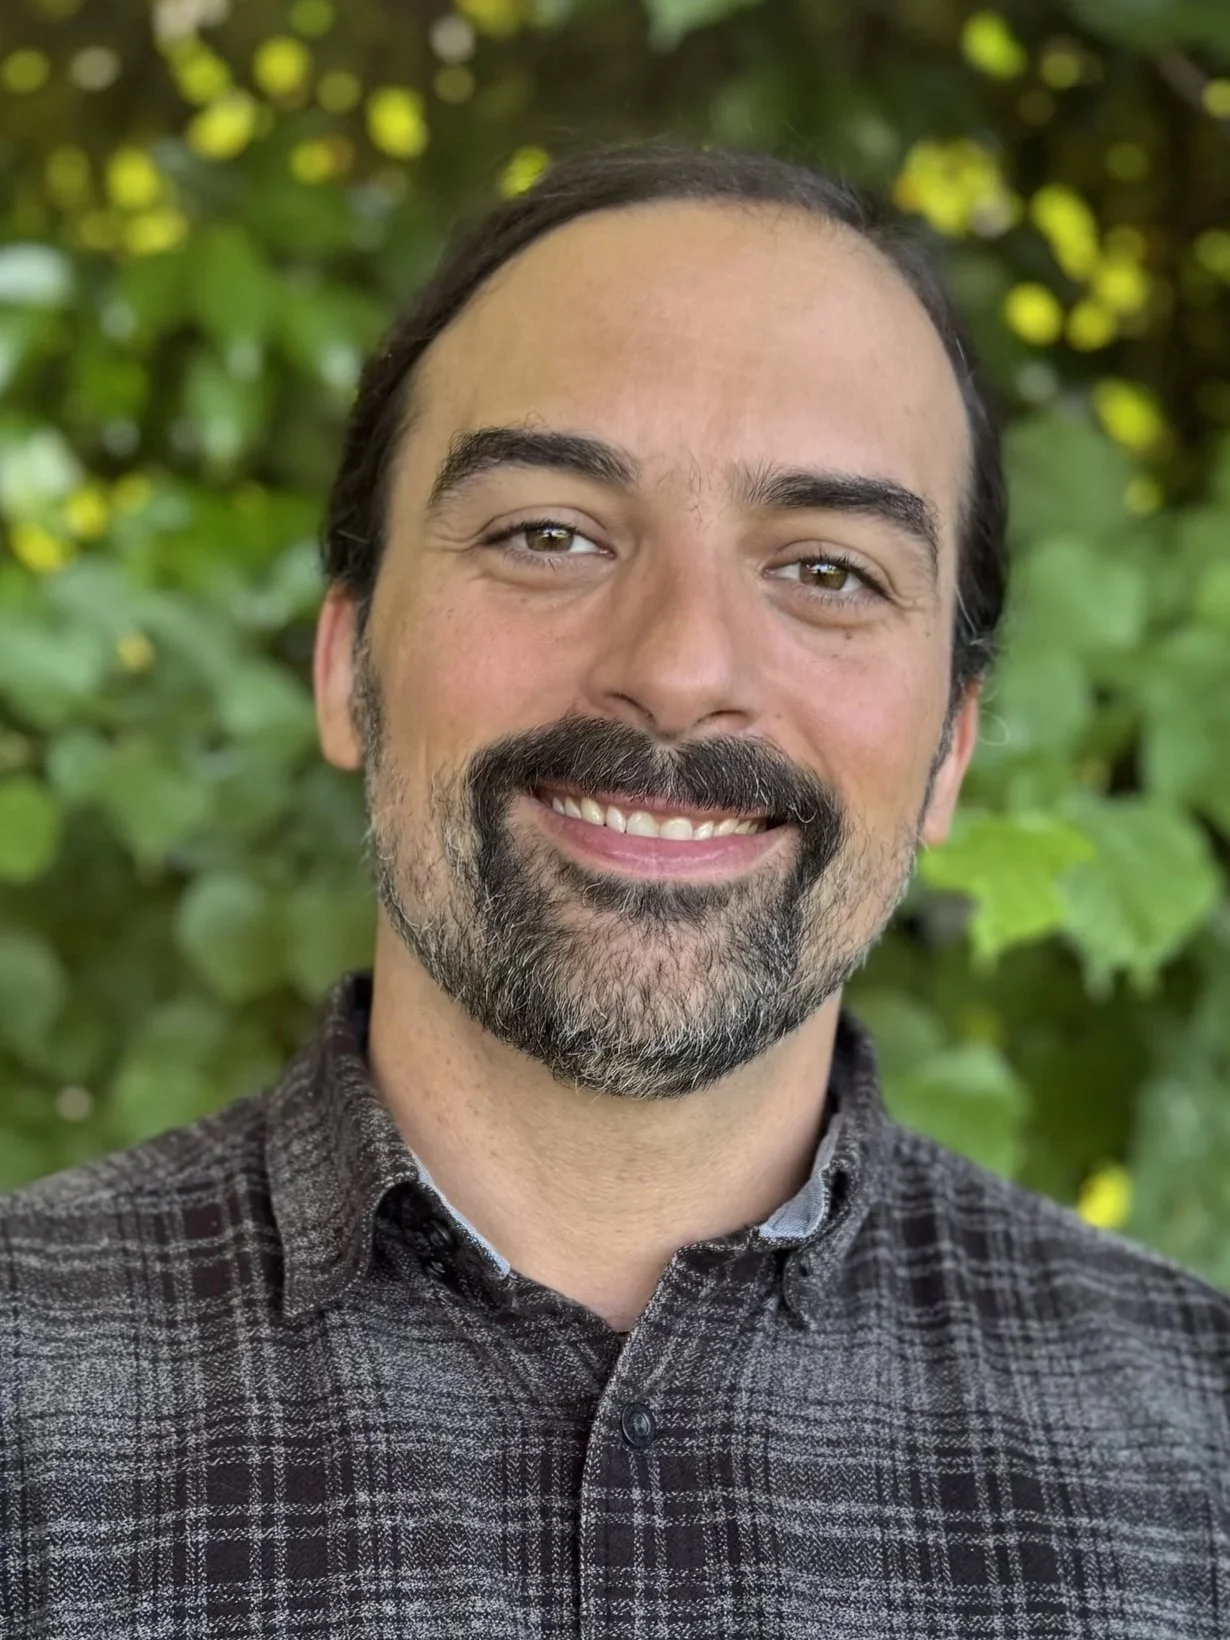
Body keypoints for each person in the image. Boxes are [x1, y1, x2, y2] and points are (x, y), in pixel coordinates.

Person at [1, 144, 1226, 1638]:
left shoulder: (1204, 1457)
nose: (681, 667)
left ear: (949, 752)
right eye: (549, 535)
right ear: (344, 665)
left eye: (828, 571)